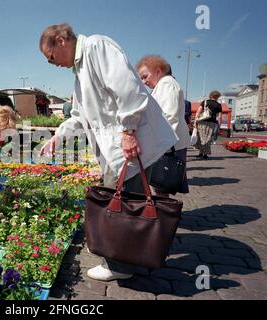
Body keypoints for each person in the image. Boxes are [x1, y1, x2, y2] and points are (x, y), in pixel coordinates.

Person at [39, 23, 178, 281]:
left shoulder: (96, 46)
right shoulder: (79, 71)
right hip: (117, 147)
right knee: (126, 198)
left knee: (124, 200)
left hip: (129, 143)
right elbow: (80, 115)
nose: (52, 63)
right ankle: (130, 254)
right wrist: (59, 135)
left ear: (60, 40)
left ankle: (120, 266)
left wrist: (128, 131)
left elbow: (127, 89)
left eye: (50, 57)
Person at [136, 55, 190, 195]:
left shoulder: (167, 84)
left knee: (162, 184)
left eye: (145, 76)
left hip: (167, 145)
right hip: (167, 143)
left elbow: (169, 117)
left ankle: (164, 214)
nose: (144, 81)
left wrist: (156, 144)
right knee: (161, 185)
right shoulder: (164, 85)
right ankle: (163, 214)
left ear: (158, 71)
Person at [194, 90, 222, 160]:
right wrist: (219, 125)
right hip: (211, 123)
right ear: (217, 97)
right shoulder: (218, 105)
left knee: (201, 137)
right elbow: (219, 117)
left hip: (202, 122)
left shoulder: (204, 102)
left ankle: (200, 153)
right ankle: (205, 154)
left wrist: (195, 121)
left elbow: (198, 112)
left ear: (210, 95)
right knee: (207, 138)